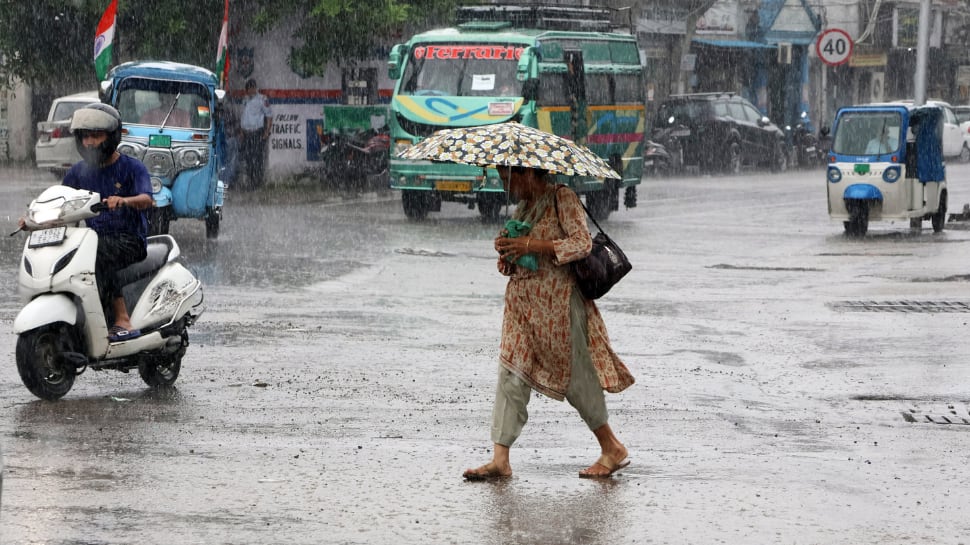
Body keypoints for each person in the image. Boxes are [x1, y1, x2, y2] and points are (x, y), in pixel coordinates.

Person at [462, 166, 635, 480]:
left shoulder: (562, 197)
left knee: (577, 378)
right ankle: (500, 459)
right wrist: (507, 248)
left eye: (508, 178)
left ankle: (612, 447)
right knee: (511, 372)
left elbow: (581, 244)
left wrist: (531, 245)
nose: (506, 185)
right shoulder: (524, 206)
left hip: (559, 306)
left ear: (528, 174)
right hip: (522, 307)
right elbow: (514, 261)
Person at [61, 103, 153, 342]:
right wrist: (34, 218)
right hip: (92, 239)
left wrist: (124, 200)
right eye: (85, 136)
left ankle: (123, 319)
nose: (90, 142)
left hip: (130, 240)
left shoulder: (132, 168)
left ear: (112, 136)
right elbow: (60, 201)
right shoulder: (77, 172)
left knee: (96, 252)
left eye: (96, 136)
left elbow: (147, 200)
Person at [239, 78, 272, 189]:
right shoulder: (245, 99)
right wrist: (241, 130)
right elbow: (243, 116)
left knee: (257, 159)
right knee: (248, 159)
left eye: (250, 89)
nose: (248, 91)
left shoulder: (262, 99)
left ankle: (256, 182)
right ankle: (250, 182)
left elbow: (269, 116)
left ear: (254, 88)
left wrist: (266, 132)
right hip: (246, 134)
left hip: (256, 133)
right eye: (247, 90)